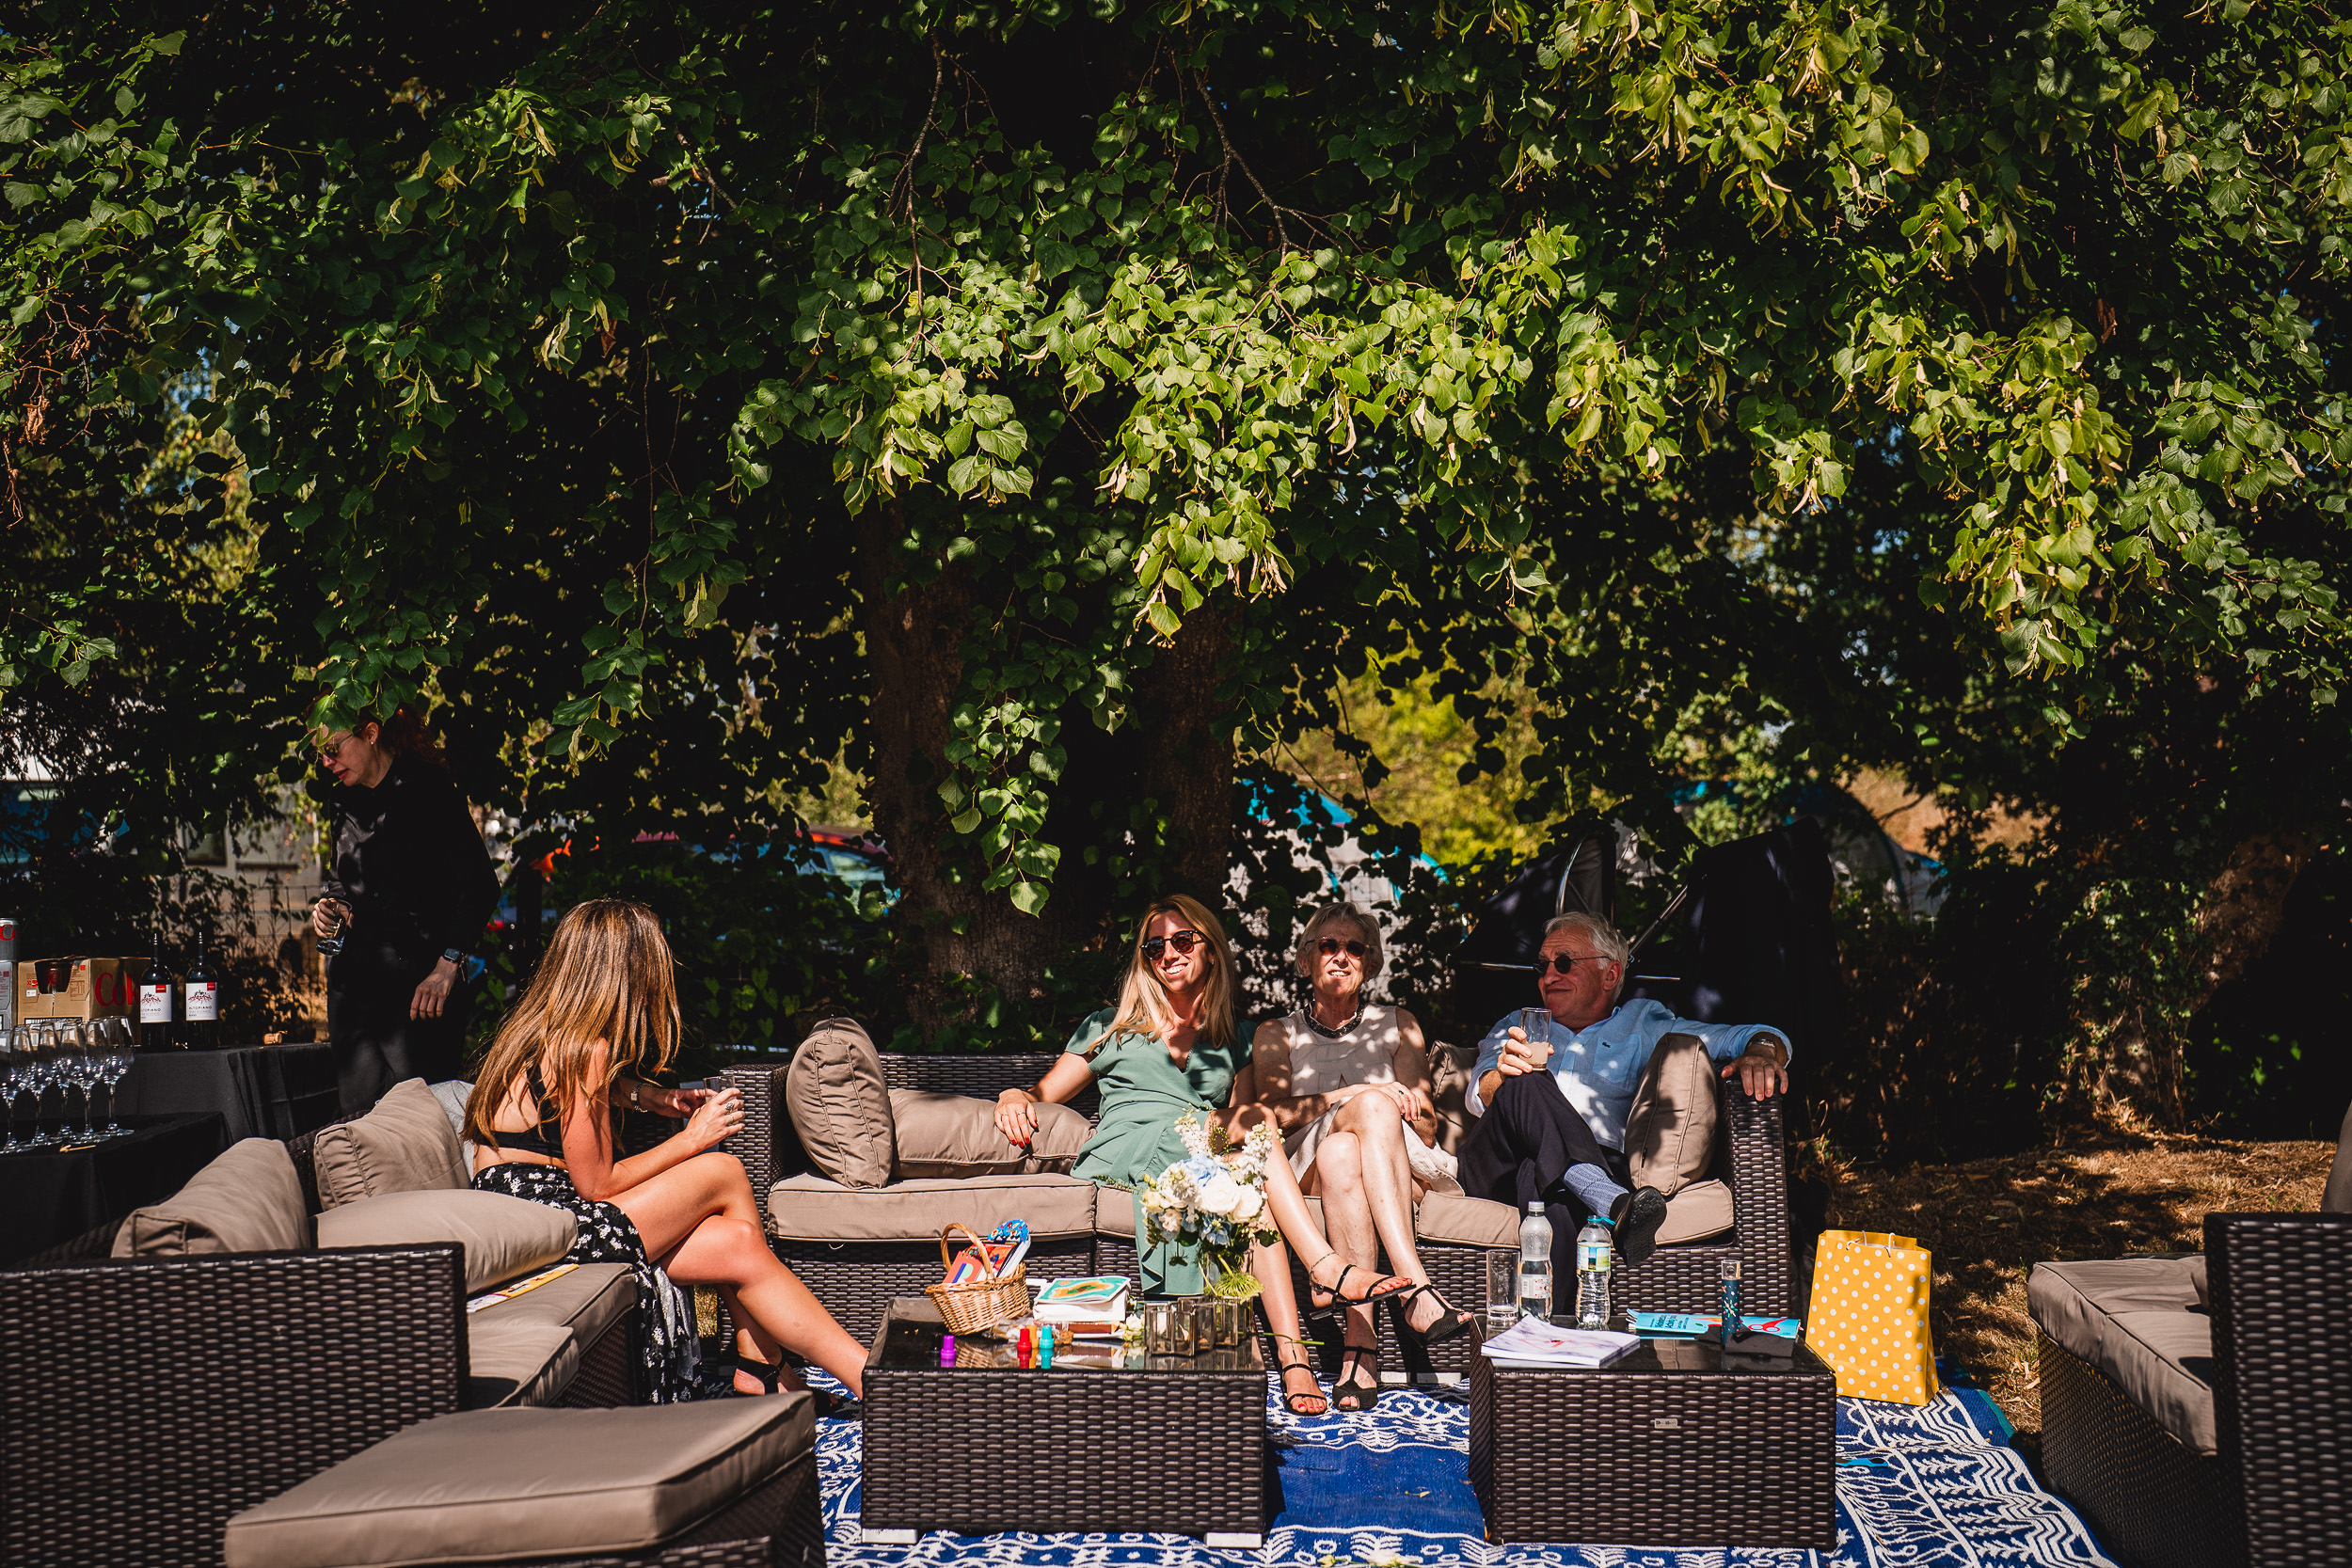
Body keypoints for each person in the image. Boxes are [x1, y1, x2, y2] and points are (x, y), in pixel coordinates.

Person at [992, 894, 1413, 1418]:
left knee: (1252, 1185)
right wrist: (1014, 1097)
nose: (1168, 952)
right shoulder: (1111, 1024)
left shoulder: (1231, 1039)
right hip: (1128, 1146)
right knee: (1256, 1131)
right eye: (1155, 946)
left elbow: (1246, 1130)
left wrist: (1327, 1108)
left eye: (1182, 939)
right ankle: (1324, 1266)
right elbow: (1041, 1093)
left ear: (1210, 950)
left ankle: (1292, 1355)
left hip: (1193, 1149)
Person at [467, 898, 866, 1407]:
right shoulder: (584, 1052)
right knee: (721, 1169)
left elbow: (569, 1100)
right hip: (552, 1227)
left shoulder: (540, 1030)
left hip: (526, 1213)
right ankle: (833, 1376)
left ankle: (773, 1370)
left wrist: (647, 1096)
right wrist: (690, 1140)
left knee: (740, 1245)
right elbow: (600, 1186)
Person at [1459, 911, 1791, 1266]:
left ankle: (1551, 1318)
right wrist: (1504, 1076)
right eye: (1543, 967)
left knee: (1545, 1180)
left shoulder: (1643, 1022)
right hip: (1497, 1165)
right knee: (1525, 1078)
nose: (1549, 976)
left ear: (1610, 974)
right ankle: (1614, 1202)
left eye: (1565, 962)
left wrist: (1762, 1052)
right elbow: (1477, 1095)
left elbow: (1752, 1035)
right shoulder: (1518, 1024)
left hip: (1589, 1161)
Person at [1246, 901, 1474, 1410]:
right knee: (1358, 1117)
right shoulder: (1275, 1033)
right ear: (1306, 961)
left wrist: (1396, 1106)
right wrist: (1358, 1096)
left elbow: (1429, 1127)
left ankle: (1359, 1348)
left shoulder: (1399, 1024)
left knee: (1345, 1153)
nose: (1341, 956)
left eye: (1355, 948)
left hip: (1389, 1158)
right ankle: (1414, 1288)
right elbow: (1270, 1115)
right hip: (1303, 1162)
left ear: (1369, 964)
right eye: (1329, 945)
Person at [310, 710, 501, 1114]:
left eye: (333, 750)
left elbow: (481, 885)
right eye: (320, 755)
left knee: (427, 1119)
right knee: (359, 1120)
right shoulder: (342, 799)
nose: (327, 763)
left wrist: (447, 966)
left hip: (420, 991)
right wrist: (332, 906)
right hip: (355, 987)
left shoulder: (429, 788)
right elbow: (343, 880)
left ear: (371, 734)